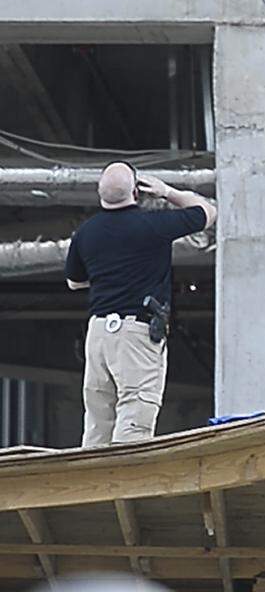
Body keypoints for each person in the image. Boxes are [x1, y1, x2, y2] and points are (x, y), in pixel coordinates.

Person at [65, 161, 217, 446]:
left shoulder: (86, 233)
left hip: (98, 334)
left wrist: (108, 274)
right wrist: (166, 191)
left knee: (97, 421)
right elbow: (207, 212)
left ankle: (94, 487)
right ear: (136, 191)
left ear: (100, 194)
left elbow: (74, 281)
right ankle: (124, 488)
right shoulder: (153, 226)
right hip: (135, 333)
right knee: (134, 417)